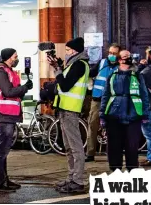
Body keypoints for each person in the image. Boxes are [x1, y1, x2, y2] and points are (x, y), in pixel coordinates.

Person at [50, 37, 90, 193]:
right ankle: (71, 177)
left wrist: (58, 71)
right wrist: (58, 66)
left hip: (70, 110)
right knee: (68, 147)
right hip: (64, 109)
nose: (65, 53)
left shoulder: (79, 65)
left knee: (75, 147)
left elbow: (65, 85)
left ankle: (78, 180)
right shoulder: (73, 64)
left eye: (67, 50)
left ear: (74, 51)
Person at [100, 50, 150, 172]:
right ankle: (115, 170)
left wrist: (145, 113)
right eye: (125, 56)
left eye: (129, 56)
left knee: (132, 146)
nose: (128, 58)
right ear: (119, 60)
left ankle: (132, 170)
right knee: (114, 145)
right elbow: (105, 95)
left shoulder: (137, 75)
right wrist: (102, 114)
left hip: (133, 114)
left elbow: (144, 95)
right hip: (114, 114)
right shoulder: (112, 75)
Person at [0, 49, 31, 191]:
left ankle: (4, 179)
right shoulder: (1, 72)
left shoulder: (8, 71)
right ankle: (0, 182)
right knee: (2, 149)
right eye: (15, 56)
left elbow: (13, 91)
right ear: (8, 58)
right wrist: (24, 88)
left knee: (5, 149)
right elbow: (8, 92)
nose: (17, 58)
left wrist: (23, 89)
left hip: (9, 114)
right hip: (4, 114)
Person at [86, 44, 121, 162]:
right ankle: (90, 153)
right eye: (110, 53)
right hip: (97, 100)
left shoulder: (121, 67)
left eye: (114, 53)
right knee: (92, 125)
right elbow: (90, 73)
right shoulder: (101, 63)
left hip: (113, 101)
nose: (111, 55)